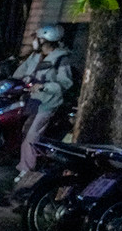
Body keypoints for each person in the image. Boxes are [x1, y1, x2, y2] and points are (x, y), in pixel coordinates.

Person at [12, 25, 75, 191]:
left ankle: (26, 170)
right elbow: (19, 73)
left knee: (31, 137)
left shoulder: (61, 59)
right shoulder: (35, 56)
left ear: (45, 40)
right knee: (25, 133)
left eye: (37, 38)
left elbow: (65, 83)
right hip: (31, 101)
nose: (34, 41)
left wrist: (44, 86)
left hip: (48, 103)